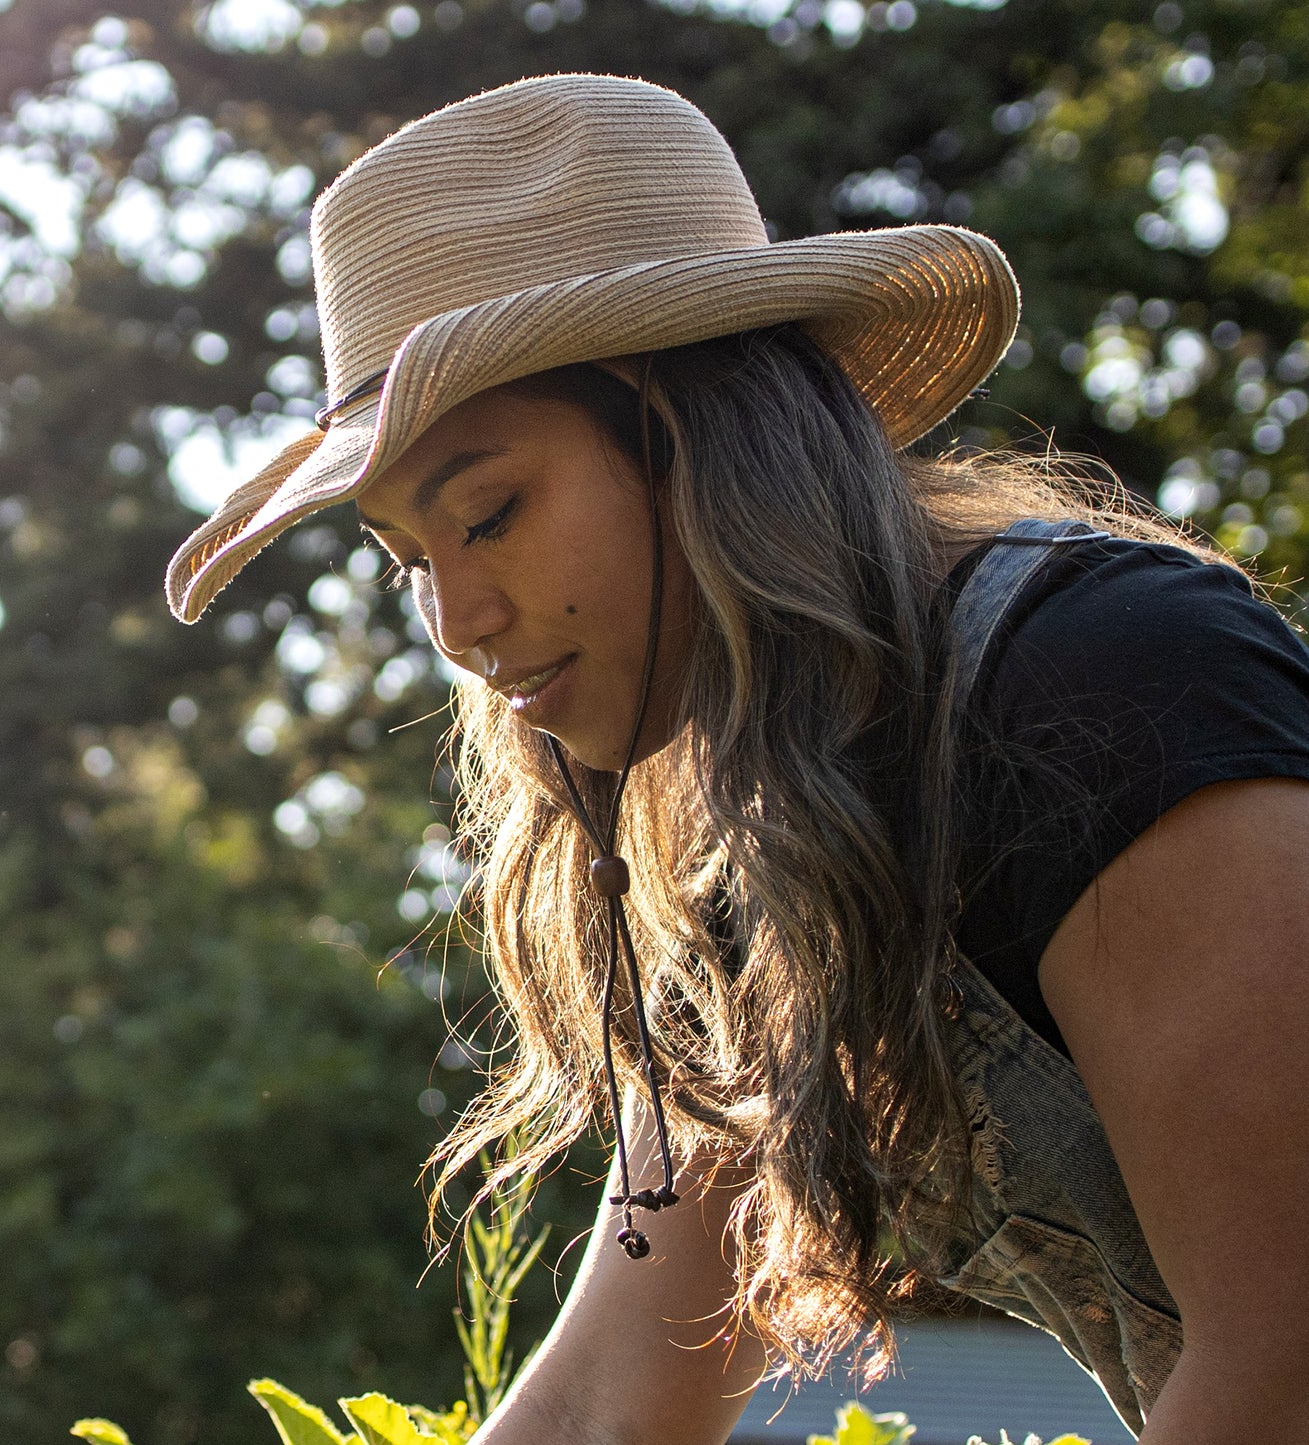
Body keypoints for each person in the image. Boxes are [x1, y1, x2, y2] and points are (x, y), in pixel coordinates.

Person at [166, 74, 1309, 1442]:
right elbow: (605, 1402)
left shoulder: (1101, 680)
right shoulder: (764, 851)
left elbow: (1285, 1357)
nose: (457, 628)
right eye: (411, 560)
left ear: (690, 432)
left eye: (490, 512)